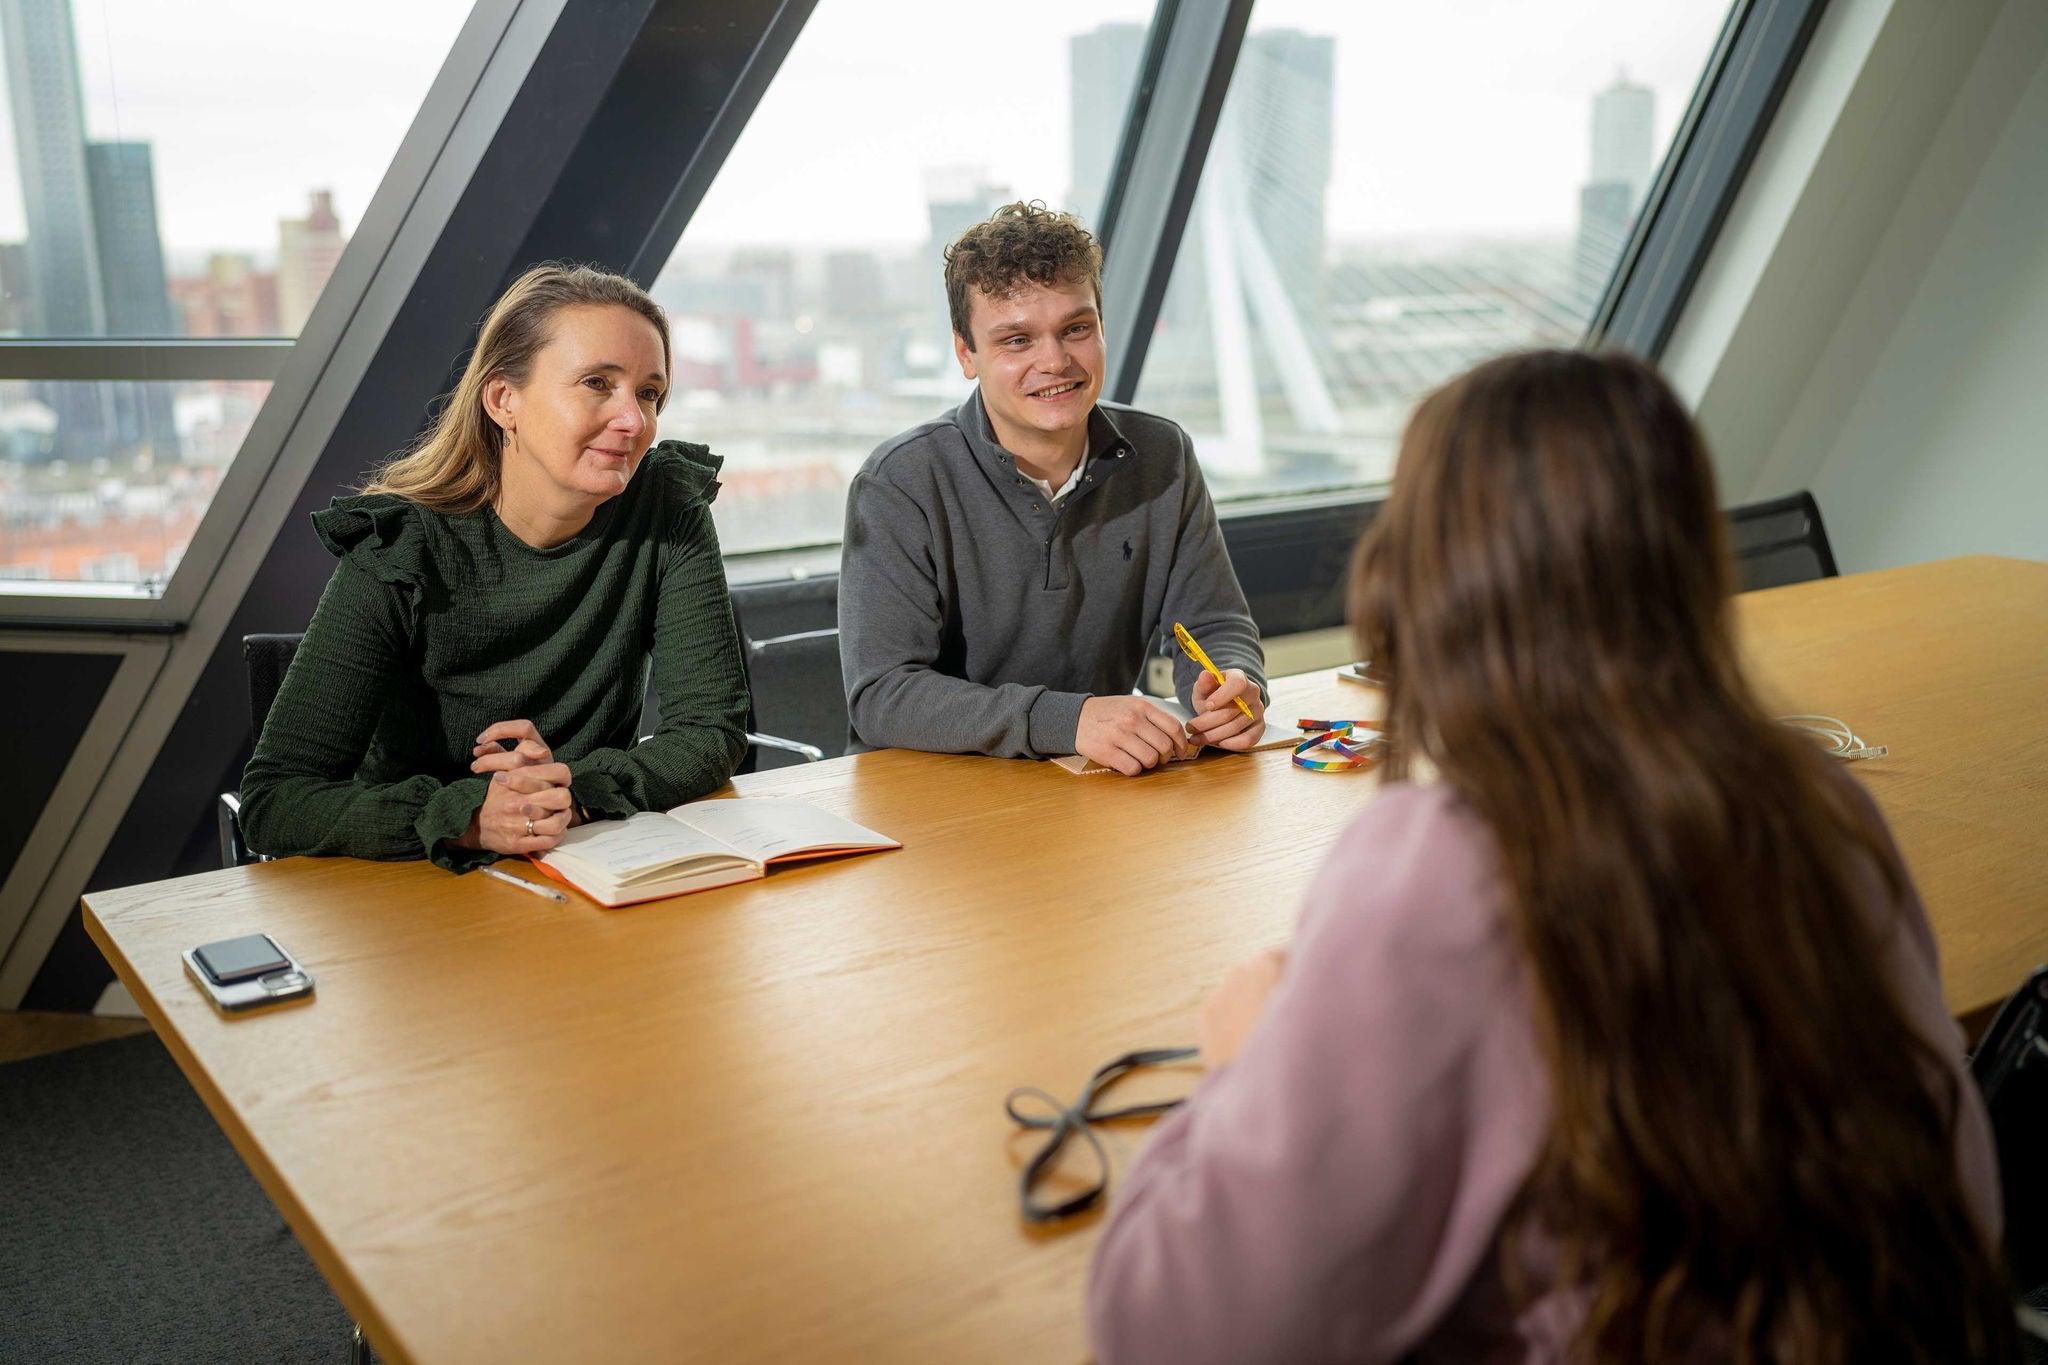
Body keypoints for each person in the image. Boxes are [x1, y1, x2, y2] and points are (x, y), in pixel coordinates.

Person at [1087, 350, 2018, 1363]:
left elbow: (1169, 1333)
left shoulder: (1436, 867)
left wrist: (1239, 1076)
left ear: (1420, 578)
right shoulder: (1820, 803)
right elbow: (1960, 1195)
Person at [239, 263, 749, 870]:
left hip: (592, 865)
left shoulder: (668, 510)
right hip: (415, 887)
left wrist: (570, 794)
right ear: (504, 399)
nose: (634, 421)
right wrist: (471, 818)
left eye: (649, 393)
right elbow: (275, 801)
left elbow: (711, 733)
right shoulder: (399, 547)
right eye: (596, 383)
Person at [838, 201, 1266, 775]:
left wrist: (1232, 683)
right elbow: (883, 696)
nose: (1056, 361)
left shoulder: (1163, 455)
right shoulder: (900, 481)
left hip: (1093, 790)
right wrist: (1070, 720)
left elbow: (1212, 624)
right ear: (967, 353)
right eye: (1016, 340)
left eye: (1076, 329)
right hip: (933, 802)